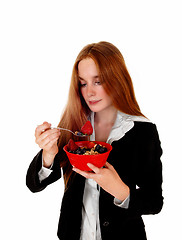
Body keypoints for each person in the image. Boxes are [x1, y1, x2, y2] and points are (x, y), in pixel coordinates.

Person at [26, 41, 163, 240]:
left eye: (98, 81)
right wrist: (48, 154)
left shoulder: (142, 131)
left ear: (117, 79)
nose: (89, 92)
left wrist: (121, 191)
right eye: (83, 83)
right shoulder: (73, 123)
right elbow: (34, 184)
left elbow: (154, 202)